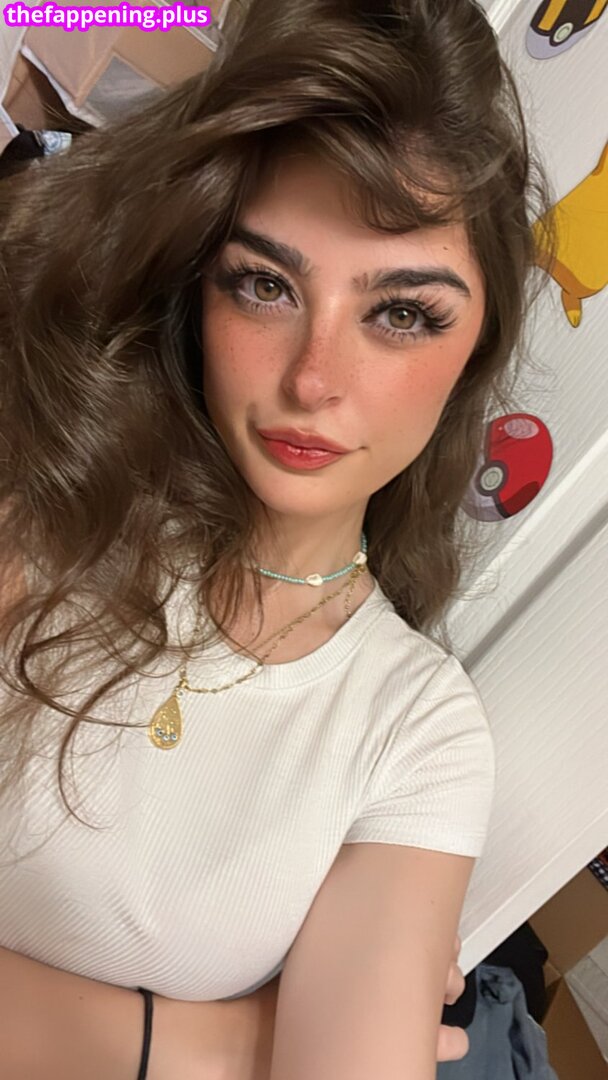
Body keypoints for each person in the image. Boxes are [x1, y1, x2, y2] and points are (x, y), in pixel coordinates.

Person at [0, 1, 553, 1077]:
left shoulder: (418, 731)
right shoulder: (47, 512)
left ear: (474, 347)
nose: (312, 379)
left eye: (401, 312)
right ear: (198, 288)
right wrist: (210, 1043)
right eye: (265, 285)